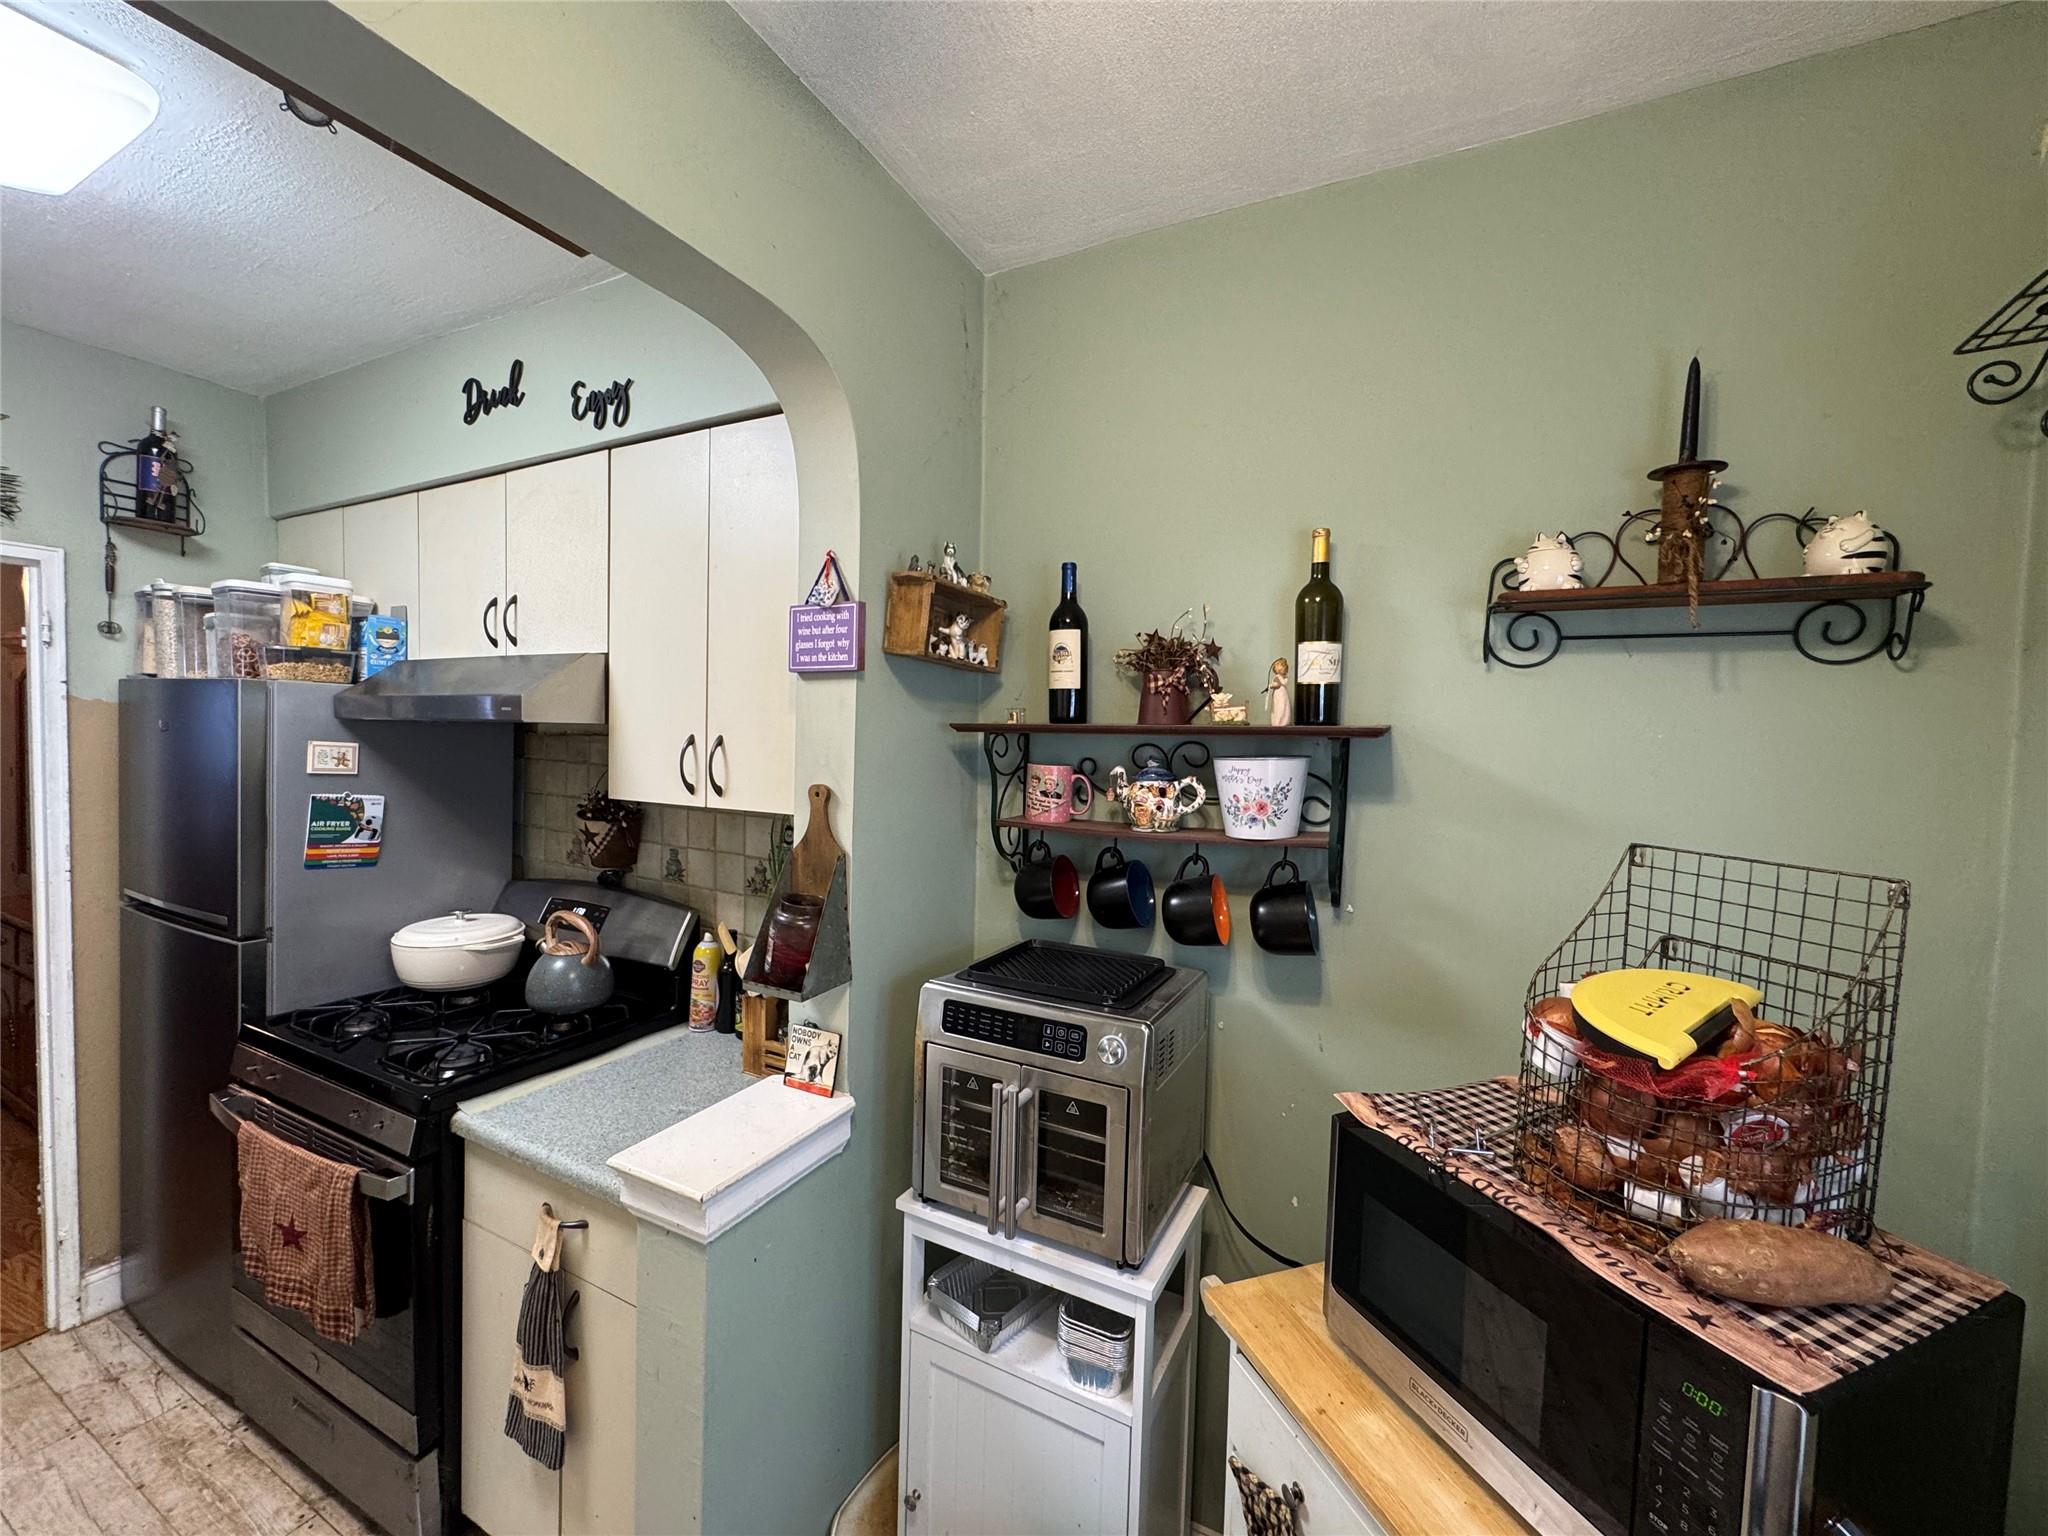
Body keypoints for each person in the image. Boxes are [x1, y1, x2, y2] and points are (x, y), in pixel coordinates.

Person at [1265, 658, 1292, 727]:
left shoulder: (1281, 677)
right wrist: (1271, 686)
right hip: (1279, 694)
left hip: (1282, 694)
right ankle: (1279, 721)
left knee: (1283, 706)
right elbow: (1277, 684)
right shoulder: (1277, 677)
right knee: (1279, 707)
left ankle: (1283, 721)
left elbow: (1282, 684)